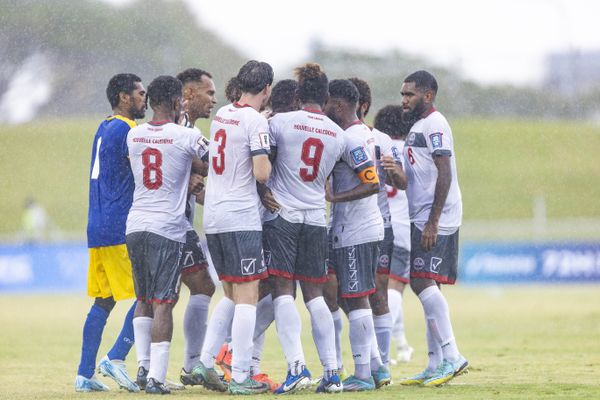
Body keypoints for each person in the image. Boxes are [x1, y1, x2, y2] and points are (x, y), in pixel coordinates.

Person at [261, 63, 347, 394]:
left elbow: (265, 160)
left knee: (283, 292)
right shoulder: (337, 134)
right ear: (326, 97)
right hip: (316, 217)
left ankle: (297, 367)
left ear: (297, 94)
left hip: (283, 214)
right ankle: (333, 372)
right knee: (316, 296)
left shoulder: (280, 122)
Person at [193, 60, 273, 395]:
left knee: (230, 292)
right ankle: (241, 375)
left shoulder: (223, 114)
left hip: (213, 215)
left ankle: (205, 362)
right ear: (267, 88)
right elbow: (261, 173)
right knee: (248, 296)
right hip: (241, 216)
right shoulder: (255, 120)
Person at [126, 75, 208, 394]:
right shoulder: (186, 136)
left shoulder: (134, 136)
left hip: (135, 224)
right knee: (164, 302)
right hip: (167, 228)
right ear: (177, 102)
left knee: (143, 299)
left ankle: (143, 369)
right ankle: (158, 379)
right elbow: (211, 163)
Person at [75, 73, 146, 393]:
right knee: (149, 295)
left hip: (97, 226)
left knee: (103, 300)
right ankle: (115, 357)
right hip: (120, 225)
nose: (144, 99)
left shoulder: (103, 127)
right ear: (123, 98)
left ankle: (84, 373)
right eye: (140, 94)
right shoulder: (129, 130)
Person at [397, 70, 468, 387]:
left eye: (409, 94)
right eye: (402, 94)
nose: (404, 100)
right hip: (420, 216)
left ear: (428, 95)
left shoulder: (436, 125)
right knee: (427, 284)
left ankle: (453, 356)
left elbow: (445, 172)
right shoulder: (418, 126)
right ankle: (434, 362)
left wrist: (433, 221)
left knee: (421, 281)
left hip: (435, 217)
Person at [323, 79, 385, 392]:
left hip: (357, 230)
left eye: (326, 102)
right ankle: (376, 366)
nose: (322, 108)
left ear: (338, 103)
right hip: (355, 229)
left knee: (357, 299)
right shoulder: (359, 133)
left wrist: (335, 199)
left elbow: (372, 182)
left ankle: (362, 373)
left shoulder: (351, 138)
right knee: (350, 298)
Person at [349, 77, 406, 373]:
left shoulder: (382, 140)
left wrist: (394, 172)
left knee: (378, 293)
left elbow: (402, 182)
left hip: (381, 226)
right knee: (345, 296)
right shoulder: (338, 136)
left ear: (363, 106)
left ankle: (381, 362)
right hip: (344, 228)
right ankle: (364, 362)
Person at [172, 68, 219, 387]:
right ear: (188, 94)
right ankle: (191, 365)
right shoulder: (179, 129)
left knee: (163, 296)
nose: (213, 100)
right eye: (209, 93)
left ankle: (184, 365)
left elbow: (196, 188)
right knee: (200, 287)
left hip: (173, 222)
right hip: (172, 225)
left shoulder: (183, 127)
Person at [373, 105, 415, 364]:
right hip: (403, 227)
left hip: (379, 226)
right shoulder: (407, 152)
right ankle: (383, 350)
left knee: (382, 288)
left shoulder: (379, 148)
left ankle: (399, 344)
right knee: (395, 289)